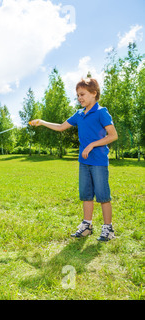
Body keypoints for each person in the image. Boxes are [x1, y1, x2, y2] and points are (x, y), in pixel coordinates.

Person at [30, 78, 118, 241]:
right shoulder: (79, 114)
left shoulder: (101, 112)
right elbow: (61, 127)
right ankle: (87, 226)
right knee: (86, 195)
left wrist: (91, 145)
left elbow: (113, 136)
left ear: (94, 93)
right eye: (78, 95)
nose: (79, 98)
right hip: (83, 162)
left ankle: (108, 229)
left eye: (82, 94)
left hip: (98, 161)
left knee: (103, 196)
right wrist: (41, 122)